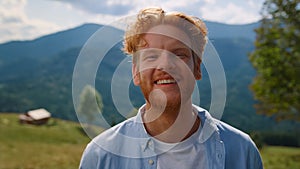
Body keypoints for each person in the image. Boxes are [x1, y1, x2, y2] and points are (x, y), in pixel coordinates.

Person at [79, 7, 263, 169]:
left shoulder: (242, 151)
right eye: (151, 56)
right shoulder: (100, 156)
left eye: (179, 54)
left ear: (197, 68)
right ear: (136, 73)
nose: (165, 65)